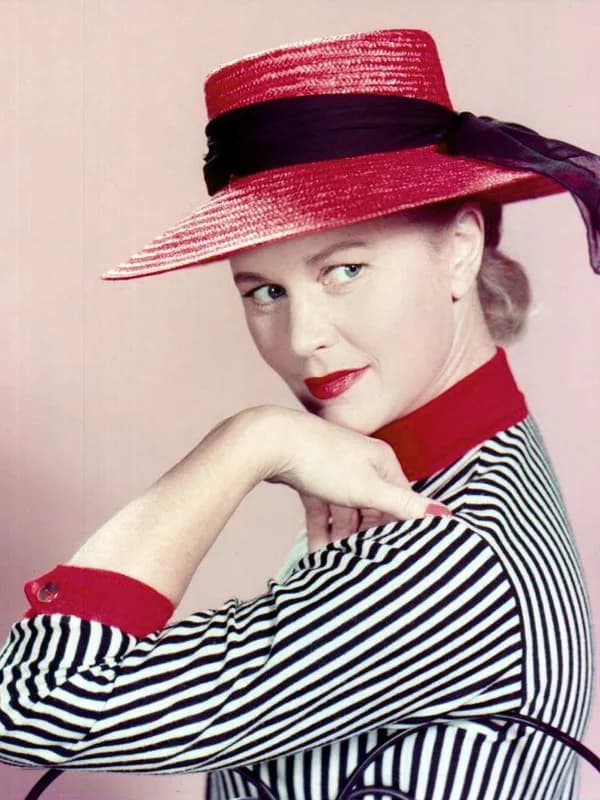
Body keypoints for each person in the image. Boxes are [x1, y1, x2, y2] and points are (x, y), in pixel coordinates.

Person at [0, 28, 597, 800]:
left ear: (458, 249)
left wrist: (248, 440)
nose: (301, 337)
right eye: (264, 291)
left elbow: (33, 706)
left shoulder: (442, 554)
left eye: (344, 269)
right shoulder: (448, 470)